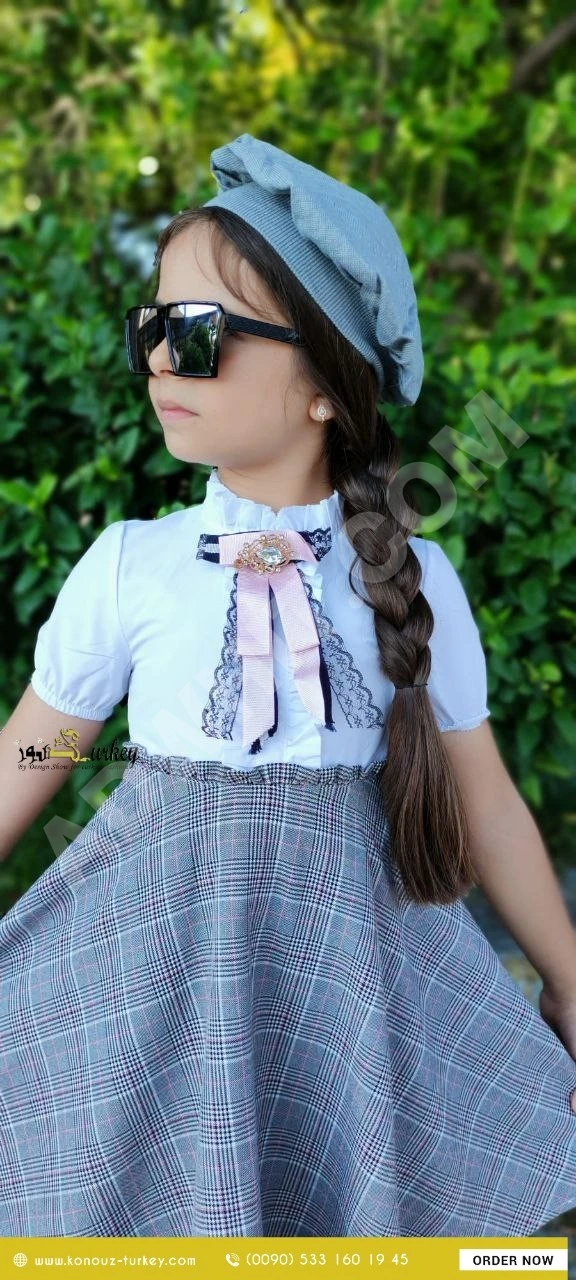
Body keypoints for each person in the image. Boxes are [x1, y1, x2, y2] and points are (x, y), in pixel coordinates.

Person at [1, 133, 576, 1240]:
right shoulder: (131, 564)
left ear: (324, 386)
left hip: (355, 990)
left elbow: (486, 800)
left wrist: (567, 980)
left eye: (200, 334)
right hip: (158, 991)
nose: (163, 360)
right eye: (152, 329)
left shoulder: (410, 575)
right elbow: (38, 749)